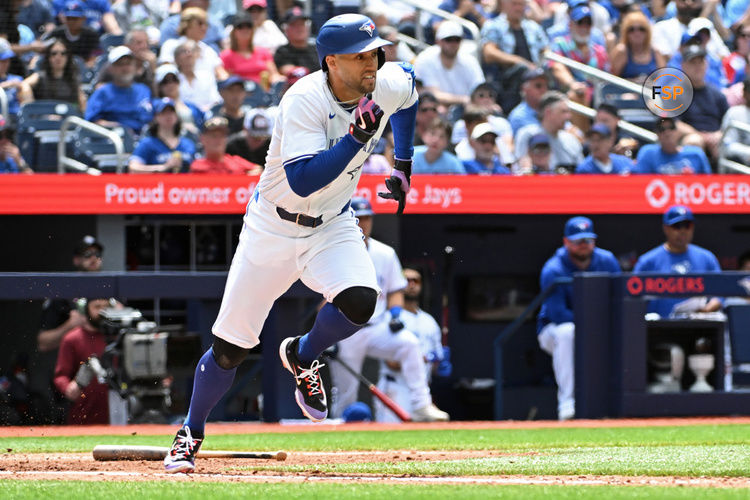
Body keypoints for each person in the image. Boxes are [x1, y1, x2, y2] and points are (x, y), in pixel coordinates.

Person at [163, 13, 417, 473]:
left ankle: (302, 355)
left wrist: (403, 162)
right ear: (331, 62)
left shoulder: (385, 82)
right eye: (359, 56)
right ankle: (190, 431)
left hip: (332, 223)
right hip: (272, 225)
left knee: (361, 301)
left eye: (375, 52)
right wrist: (357, 138)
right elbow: (302, 181)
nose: (372, 64)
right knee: (230, 348)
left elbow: (410, 92)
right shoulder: (303, 99)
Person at [330, 199, 449, 422]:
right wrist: (326, 335)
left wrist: (395, 314)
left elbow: (395, 290)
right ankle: (337, 429)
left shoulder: (384, 253)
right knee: (346, 392)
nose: (362, 223)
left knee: (409, 343)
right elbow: (325, 298)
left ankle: (422, 404)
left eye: (366, 218)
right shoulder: (337, 252)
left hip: (377, 326)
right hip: (346, 329)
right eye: (358, 217)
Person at [538, 216, 621, 420]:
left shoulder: (607, 260)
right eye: (578, 241)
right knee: (568, 333)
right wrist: (594, 325)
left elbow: (620, 300)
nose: (583, 245)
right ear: (566, 242)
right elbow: (558, 315)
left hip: (597, 327)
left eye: (588, 240)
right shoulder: (553, 268)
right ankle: (567, 402)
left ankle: (620, 402)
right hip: (552, 331)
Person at [37, 236, 103, 425]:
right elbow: (42, 342)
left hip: (105, 371)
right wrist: (70, 325)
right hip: (73, 371)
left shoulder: (110, 288)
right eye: (87, 254)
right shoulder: (63, 292)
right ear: (76, 259)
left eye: (97, 254)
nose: (93, 258)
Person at [372, 266, 447, 423]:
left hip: (422, 390)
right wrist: (426, 358)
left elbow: (436, 364)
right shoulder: (389, 319)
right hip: (395, 387)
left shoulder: (429, 321)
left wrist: (439, 362)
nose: (411, 284)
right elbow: (392, 362)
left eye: (416, 281)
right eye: (407, 280)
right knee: (390, 437)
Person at [634, 205, 723, 318]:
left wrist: (709, 307)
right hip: (657, 329)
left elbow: (720, 293)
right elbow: (633, 299)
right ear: (666, 228)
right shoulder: (648, 261)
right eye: (677, 226)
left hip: (699, 326)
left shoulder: (706, 258)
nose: (683, 231)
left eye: (687, 226)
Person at [53, 297, 115, 425]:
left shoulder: (117, 338)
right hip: (83, 412)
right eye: (97, 307)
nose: (102, 311)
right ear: (86, 309)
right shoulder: (72, 339)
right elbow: (61, 375)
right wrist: (68, 388)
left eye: (106, 306)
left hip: (117, 413)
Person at [677, 44, 729, 162]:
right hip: (689, 137)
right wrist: (701, 136)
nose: (697, 66)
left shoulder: (717, 94)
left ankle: (725, 179)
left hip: (715, 137)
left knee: (726, 142)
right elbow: (674, 123)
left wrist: (718, 135)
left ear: (706, 64)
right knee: (694, 141)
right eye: (693, 62)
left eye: (700, 62)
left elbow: (727, 121)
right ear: (683, 66)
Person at [413, 20, 484, 107]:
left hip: (468, 108)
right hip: (437, 108)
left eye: (457, 40)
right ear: (438, 41)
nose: (453, 44)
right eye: (448, 40)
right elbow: (432, 94)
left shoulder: (470, 60)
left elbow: (480, 88)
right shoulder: (425, 58)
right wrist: (464, 100)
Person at [84, 46, 153, 134]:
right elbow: (90, 122)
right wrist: (119, 128)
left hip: (142, 137)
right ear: (110, 69)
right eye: (120, 64)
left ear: (134, 66)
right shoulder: (103, 92)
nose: (125, 68)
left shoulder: (143, 90)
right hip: (113, 139)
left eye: (128, 63)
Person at [515, 91, 583, 173]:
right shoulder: (527, 134)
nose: (568, 116)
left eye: (568, 112)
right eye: (563, 112)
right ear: (548, 112)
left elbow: (581, 173)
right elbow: (521, 167)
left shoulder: (571, 139)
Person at [159, 7, 228, 83]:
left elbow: (221, 74)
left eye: (206, 24)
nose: (204, 28)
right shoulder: (171, 45)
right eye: (200, 23)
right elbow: (167, 75)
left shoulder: (209, 51)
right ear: (186, 24)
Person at [128, 97, 196, 173]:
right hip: (158, 183)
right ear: (156, 117)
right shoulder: (147, 143)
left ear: (177, 116)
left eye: (171, 112)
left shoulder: (187, 143)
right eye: (164, 113)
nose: (168, 116)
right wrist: (162, 167)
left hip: (185, 183)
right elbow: (133, 168)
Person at [219, 12, 283, 86]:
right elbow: (226, 79)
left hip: (264, 92)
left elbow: (274, 74)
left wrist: (278, 80)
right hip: (240, 93)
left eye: (248, 26)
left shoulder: (263, 52)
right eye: (240, 27)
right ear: (234, 32)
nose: (245, 30)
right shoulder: (226, 55)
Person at [23, 38, 86, 110]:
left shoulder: (73, 79)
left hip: (67, 118)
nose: (58, 57)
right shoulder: (40, 76)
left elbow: (82, 104)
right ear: (48, 57)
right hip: (44, 117)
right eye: (54, 53)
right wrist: (30, 103)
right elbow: (24, 84)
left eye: (63, 53)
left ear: (68, 57)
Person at [634, 117, 711, 174]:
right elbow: (640, 181)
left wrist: (691, 179)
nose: (667, 132)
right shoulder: (648, 153)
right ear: (657, 134)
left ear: (678, 131)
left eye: (671, 127)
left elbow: (708, 183)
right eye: (662, 129)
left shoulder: (695, 153)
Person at [189, 116, 262, 174]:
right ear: (203, 139)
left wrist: (249, 177)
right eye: (214, 136)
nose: (218, 140)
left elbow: (258, 169)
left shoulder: (236, 161)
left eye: (222, 136)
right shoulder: (198, 167)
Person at [609, 11, 666, 82]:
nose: (637, 33)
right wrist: (635, 81)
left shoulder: (655, 51)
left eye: (641, 29)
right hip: (626, 91)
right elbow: (611, 80)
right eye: (631, 29)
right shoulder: (622, 51)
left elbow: (663, 79)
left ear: (647, 32)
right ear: (625, 32)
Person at [153, 63, 205, 136]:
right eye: (165, 81)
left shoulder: (190, 105)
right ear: (159, 85)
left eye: (174, 80)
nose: (170, 84)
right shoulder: (155, 106)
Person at [173, 39, 222, 112]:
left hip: (209, 115)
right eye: (184, 51)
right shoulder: (172, 80)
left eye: (192, 51)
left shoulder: (207, 76)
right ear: (176, 58)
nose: (189, 54)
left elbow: (216, 99)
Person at [273, 6, 320, 76]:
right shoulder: (282, 52)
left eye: (302, 24)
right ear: (286, 30)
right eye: (294, 25)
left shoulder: (317, 49)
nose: (299, 28)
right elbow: (288, 71)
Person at [508, 66, 548, 134]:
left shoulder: (551, 110)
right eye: (538, 86)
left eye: (546, 85)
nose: (543, 90)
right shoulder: (518, 116)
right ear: (524, 89)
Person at [721, 75, 750, 165]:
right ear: (744, 93)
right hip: (741, 164)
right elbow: (727, 145)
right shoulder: (735, 113)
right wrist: (747, 152)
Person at [0, 39, 30, 115]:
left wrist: (21, 87)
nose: (6, 64)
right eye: (2, 60)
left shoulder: (16, 80)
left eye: (7, 60)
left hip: (16, 122)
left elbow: (28, 107)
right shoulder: (11, 82)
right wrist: (4, 86)